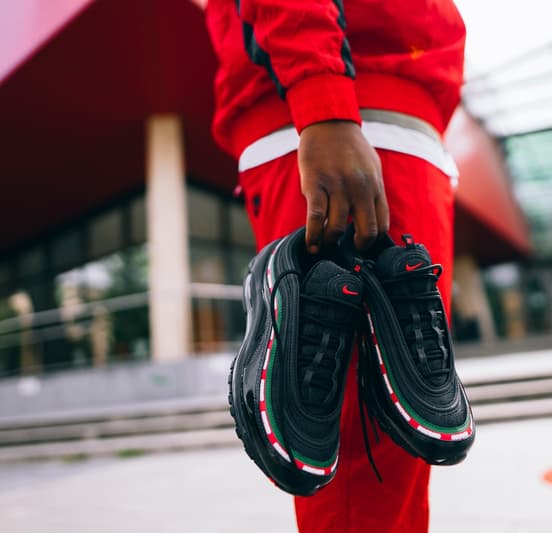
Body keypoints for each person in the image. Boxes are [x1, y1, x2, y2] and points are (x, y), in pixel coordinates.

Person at [205, 1, 467, 530]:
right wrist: (321, 101)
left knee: (402, 441)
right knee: (355, 445)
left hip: (397, 115)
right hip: (331, 111)